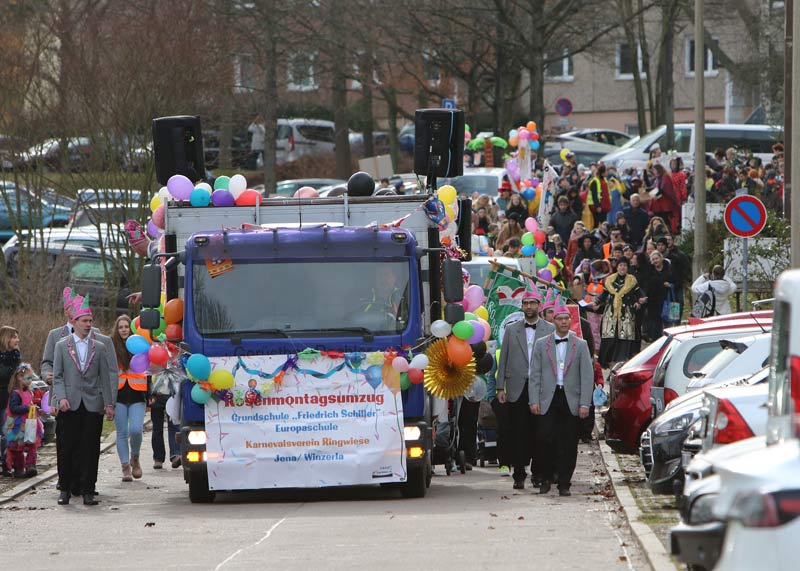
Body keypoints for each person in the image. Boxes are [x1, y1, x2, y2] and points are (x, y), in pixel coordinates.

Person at [52, 294, 115, 506]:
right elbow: (57, 375)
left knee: (90, 448)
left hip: (91, 403)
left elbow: (105, 378)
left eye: (90, 321)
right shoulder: (62, 345)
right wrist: (60, 397)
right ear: (75, 322)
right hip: (69, 404)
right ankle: (65, 488)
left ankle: (89, 489)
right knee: (67, 447)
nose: (88, 325)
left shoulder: (101, 347)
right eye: (84, 321)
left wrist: (109, 403)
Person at [529, 306, 593, 496]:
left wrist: (584, 403)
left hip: (570, 398)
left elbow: (587, 376)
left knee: (569, 441)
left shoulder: (580, 345)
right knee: (545, 439)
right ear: (553, 321)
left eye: (567, 318)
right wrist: (534, 400)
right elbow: (535, 375)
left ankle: (565, 482)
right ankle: (546, 478)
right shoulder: (542, 344)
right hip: (548, 397)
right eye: (560, 318)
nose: (564, 321)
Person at [495, 291, 555, 490]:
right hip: (516, 387)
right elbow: (503, 358)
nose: (529, 307)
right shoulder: (512, 330)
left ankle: (538, 473)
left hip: (540, 388)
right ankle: (519, 474)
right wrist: (499, 386)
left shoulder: (549, 329)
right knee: (518, 432)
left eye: (532, 303)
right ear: (521, 306)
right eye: (525, 303)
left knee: (540, 432)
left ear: (539, 306)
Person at [111, 315, 147, 482]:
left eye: (126, 326)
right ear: (117, 330)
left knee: (136, 430)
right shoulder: (111, 347)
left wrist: (151, 393)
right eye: (121, 327)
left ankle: (135, 457)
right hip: (118, 395)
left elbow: (148, 368)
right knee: (122, 433)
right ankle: (125, 467)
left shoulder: (139, 344)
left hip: (137, 393)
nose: (124, 329)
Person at [593, 259, 645, 368]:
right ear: (617, 267)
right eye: (620, 265)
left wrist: (640, 300)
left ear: (627, 268)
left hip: (626, 313)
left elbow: (639, 294)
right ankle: (607, 360)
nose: (622, 267)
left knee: (624, 337)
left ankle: (622, 360)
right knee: (610, 337)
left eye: (625, 265)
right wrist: (596, 302)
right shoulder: (609, 280)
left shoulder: (632, 280)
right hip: (611, 313)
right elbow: (603, 295)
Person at [4, 363, 44, 477]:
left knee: (32, 445)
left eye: (31, 378)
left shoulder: (29, 392)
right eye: (28, 378)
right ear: (20, 378)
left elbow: (29, 403)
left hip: (30, 423)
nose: (30, 381)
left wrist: (36, 410)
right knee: (18, 447)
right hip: (18, 424)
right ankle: (18, 468)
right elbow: (13, 408)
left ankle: (31, 465)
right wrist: (27, 408)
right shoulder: (16, 393)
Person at [0, 326, 22, 476]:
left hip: (7, 399)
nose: (17, 340)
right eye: (14, 337)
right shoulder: (8, 358)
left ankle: (6, 462)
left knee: (7, 431)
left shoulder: (15, 356)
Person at [642, 251, 674, 341]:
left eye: (657, 258)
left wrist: (670, 285)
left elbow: (675, 280)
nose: (655, 261)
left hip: (669, 299)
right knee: (656, 323)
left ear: (661, 258)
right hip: (654, 300)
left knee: (670, 321)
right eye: (653, 259)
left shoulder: (669, 268)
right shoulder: (649, 270)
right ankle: (657, 340)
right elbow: (648, 284)